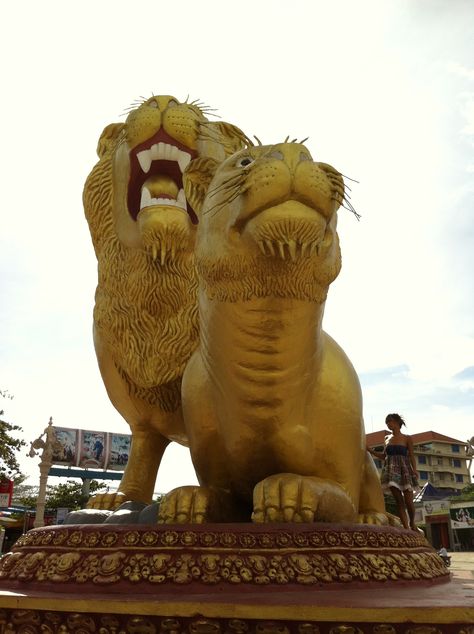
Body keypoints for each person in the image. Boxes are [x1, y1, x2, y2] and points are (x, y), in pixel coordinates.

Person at [367, 413, 419, 531]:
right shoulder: (386, 438)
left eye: (390, 421)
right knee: (399, 501)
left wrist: (414, 470)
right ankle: (406, 528)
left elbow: (411, 455)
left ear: (397, 422)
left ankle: (412, 523)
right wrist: (370, 450)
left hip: (405, 469)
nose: (388, 424)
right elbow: (384, 456)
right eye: (387, 422)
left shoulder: (407, 438)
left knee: (409, 502)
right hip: (391, 471)